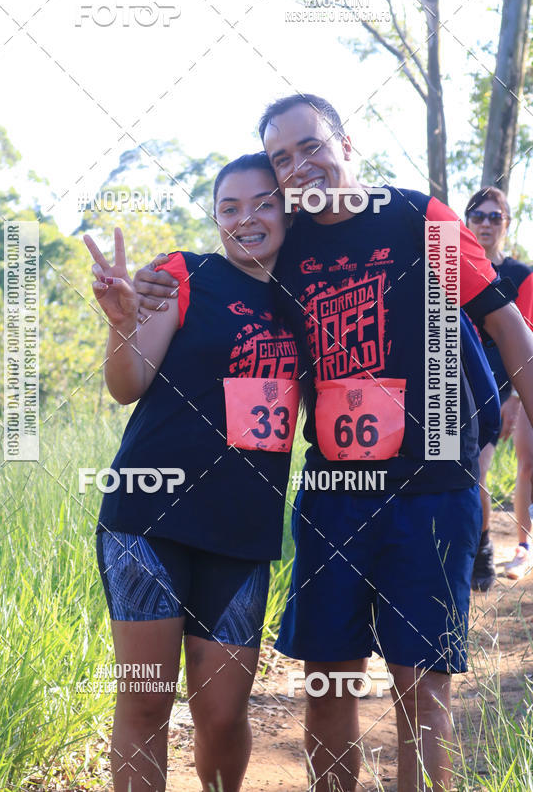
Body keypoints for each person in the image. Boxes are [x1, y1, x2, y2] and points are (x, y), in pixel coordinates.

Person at [137, 94, 533, 792]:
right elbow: (223, 274)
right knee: (326, 688)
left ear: (347, 143)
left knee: (422, 696)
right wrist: (150, 290)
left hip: (432, 492)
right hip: (333, 497)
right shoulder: (288, 244)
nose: (299, 166)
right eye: (282, 157)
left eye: (311, 145)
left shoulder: (418, 216)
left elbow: (506, 330)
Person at [84, 152, 299, 792]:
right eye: (228, 208)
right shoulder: (187, 276)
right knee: (146, 703)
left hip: (242, 528)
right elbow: (128, 384)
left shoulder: (310, 301)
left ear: (288, 209)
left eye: (262, 202)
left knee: (224, 714)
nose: (246, 218)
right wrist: (123, 327)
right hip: (147, 516)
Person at [465, 186, 533, 589]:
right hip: (459, 386)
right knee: (466, 473)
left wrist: (512, 396)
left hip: (507, 388)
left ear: (506, 224)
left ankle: (492, 548)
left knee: (492, 469)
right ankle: (477, 545)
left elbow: (523, 340)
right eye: (478, 216)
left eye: (495, 216)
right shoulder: (449, 268)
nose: (486, 223)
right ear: (467, 222)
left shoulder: (521, 277)